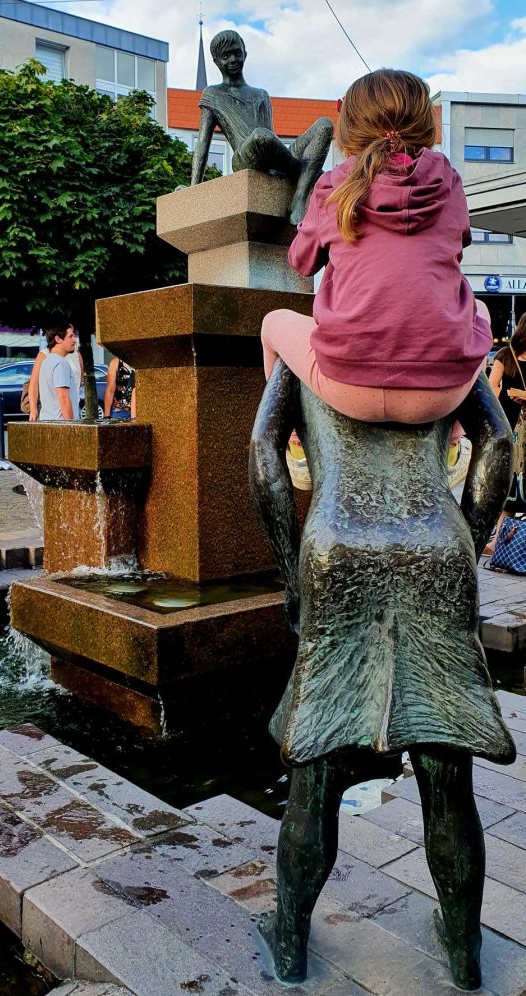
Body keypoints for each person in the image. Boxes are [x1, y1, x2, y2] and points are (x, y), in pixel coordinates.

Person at [249, 362, 514, 991]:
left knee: (314, 767)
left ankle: (289, 943)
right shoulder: (446, 341)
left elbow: (264, 453)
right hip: (435, 543)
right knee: (448, 772)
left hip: (337, 545)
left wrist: (292, 568)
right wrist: (462, 542)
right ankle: (464, 951)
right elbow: (497, 444)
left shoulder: (303, 344)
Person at [261, 69, 492, 445]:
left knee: (273, 323)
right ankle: (455, 435)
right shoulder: (449, 182)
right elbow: (456, 246)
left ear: (350, 124)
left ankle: (296, 442)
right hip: (442, 391)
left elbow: (300, 262)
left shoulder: (333, 186)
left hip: (347, 382)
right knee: (479, 311)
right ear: (424, 123)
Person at [191, 31, 333, 225]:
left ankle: (299, 197)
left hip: (274, 155)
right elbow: (201, 144)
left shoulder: (261, 94)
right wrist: (193, 188)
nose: (233, 60)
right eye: (225, 56)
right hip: (245, 156)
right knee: (260, 136)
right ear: (216, 61)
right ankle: (306, 171)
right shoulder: (212, 94)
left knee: (325, 125)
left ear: (245, 54)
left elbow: (272, 137)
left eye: (236, 53)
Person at [485, 315, 526, 552]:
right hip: (512, 429)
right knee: (511, 485)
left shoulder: (505, 356)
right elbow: (492, 386)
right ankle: (497, 539)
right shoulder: (504, 355)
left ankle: (499, 540)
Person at [27, 324, 83, 422]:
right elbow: (64, 398)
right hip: (61, 423)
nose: (74, 340)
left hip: (47, 420)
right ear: (58, 339)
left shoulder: (47, 361)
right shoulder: (61, 363)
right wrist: (72, 426)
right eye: (70, 336)